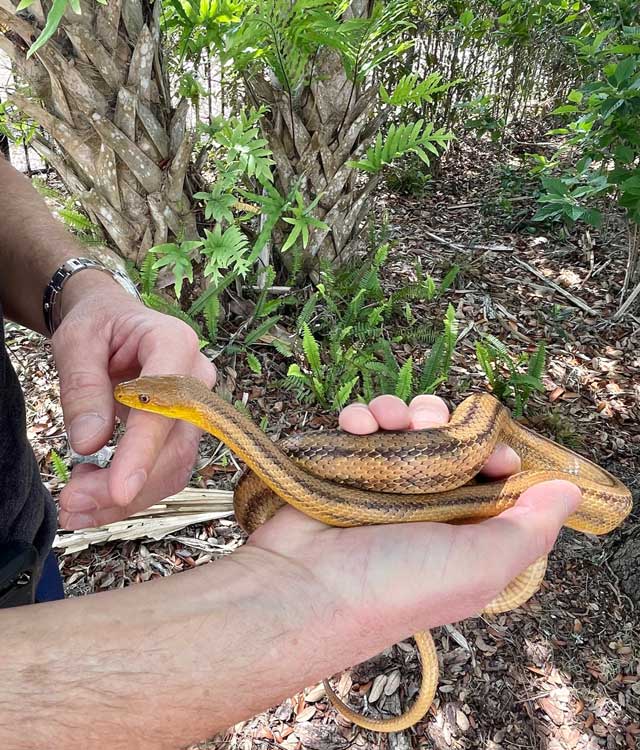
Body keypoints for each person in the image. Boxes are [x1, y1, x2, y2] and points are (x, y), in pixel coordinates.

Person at [0, 154, 582, 748]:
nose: (134, 397)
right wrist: (299, 597)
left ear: (186, 403)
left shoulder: (259, 450)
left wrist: (75, 288)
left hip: (22, 548)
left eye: (148, 397)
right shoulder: (255, 453)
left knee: (418, 444)